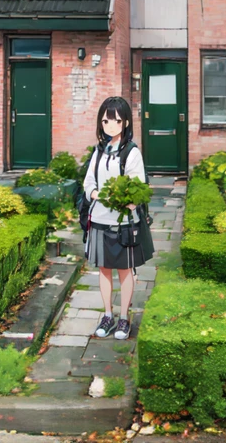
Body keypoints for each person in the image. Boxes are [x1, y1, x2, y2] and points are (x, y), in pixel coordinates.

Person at [82, 96, 152, 340]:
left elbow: (138, 184)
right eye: (105, 120)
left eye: (116, 121)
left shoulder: (131, 153)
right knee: (103, 270)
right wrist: (95, 193)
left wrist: (129, 199)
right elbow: (88, 181)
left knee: (125, 270)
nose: (110, 125)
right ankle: (107, 315)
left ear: (125, 123)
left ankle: (124, 318)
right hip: (100, 219)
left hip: (123, 223)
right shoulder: (99, 151)